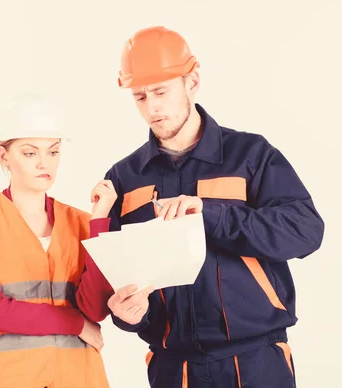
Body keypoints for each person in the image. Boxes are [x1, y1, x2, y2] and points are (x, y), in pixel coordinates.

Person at [104, 26, 325, 388]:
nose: (152, 108)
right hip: (174, 369)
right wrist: (130, 316)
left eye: (161, 91)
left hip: (255, 361)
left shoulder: (250, 156)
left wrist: (210, 214)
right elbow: (118, 277)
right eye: (140, 96)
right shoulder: (125, 178)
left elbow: (305, 231)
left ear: (192, 81)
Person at [0, 95, 116, 388]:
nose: (45, 163)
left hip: (78, 377)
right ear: (4, 156)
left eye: (53, 152)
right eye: (30, 153)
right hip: (4, 378)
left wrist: (100, 220)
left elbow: (95, 309)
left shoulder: (82, 222)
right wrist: (76, 324)